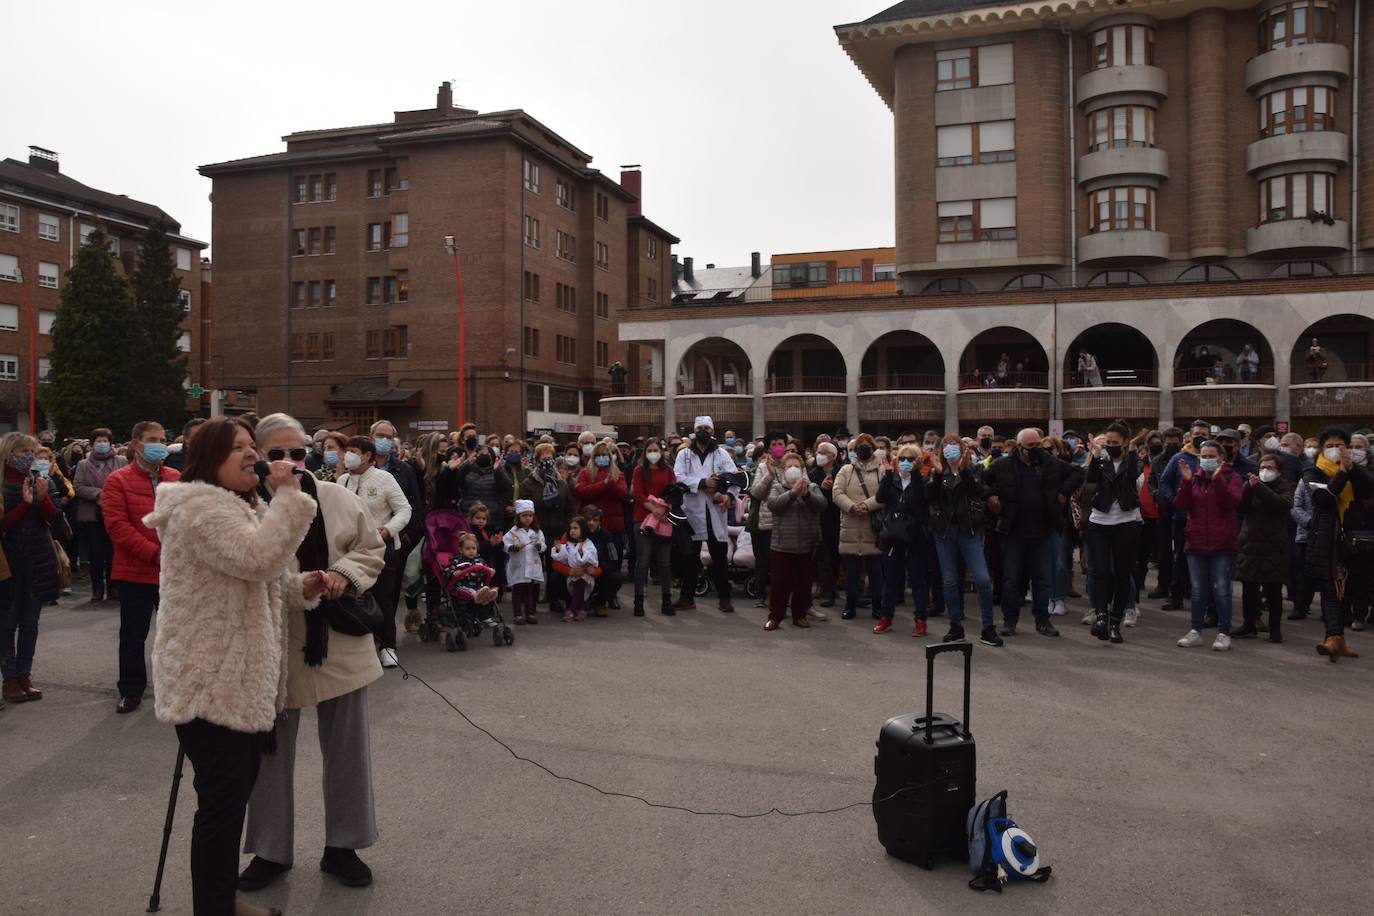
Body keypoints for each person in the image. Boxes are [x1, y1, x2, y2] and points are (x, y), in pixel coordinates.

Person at [144, 417, 326, 916]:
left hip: (238, 679)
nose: (253, 455)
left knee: (229, 802)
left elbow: (256, 579)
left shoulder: (241, 507)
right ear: (209, 460)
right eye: (239, 448)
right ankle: (216, 908)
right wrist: (289, 498)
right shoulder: (202, 509)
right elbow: (258, 559)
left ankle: (223, 898)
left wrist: (298, 588)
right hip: (210, 681)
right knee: (221, 810)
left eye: (253, 446)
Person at [239, 413, 387, 896]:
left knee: (348, 750)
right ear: (259, 457)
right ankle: (269, 849)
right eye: (276, 454)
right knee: (268, 753)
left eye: (297, 453)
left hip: (338, 639)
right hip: (273, 640)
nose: (288, 463)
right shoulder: (244, 505)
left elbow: (371, 548)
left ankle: (344, 844)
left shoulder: (339, 497)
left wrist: (344, 573)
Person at [104, 421, 180, 713]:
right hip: (135, 570)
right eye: (152, 439)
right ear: (136, 443)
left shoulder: (175, 477)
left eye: (162, 439)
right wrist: (154, 553)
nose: (159, 444)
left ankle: (173, 686)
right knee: (133, 635)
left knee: (173, 633)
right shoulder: (118, 480)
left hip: (172, 571)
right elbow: (118, 527)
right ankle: (131, 690)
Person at [983, 428, 1082, 639]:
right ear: (1019, 447)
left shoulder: (1050, 462)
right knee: (1011, 579)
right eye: (1030, 446)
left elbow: (1077, 472)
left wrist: (1063, 493)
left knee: (1042, 579)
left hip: (1042, 530)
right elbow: (981, 480)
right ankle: (1009, 621)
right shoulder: (1002, 465)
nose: (1035, 449)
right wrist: (990, 497)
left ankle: (1043, 621)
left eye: (1038, 445)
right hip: (1013, 532)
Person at [0, 433, 64, 705]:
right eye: (23, 451)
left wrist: (43, 498)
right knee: (7, 623)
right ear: (9, 454)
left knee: (30, 623)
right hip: (8, 564)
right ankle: (10, 678)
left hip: (37, 560)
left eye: (33, 450)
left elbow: (57, 520)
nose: (28, 455)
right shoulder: (3, 486)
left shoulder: (41, 480)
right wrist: (24, 505)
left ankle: (25, 674)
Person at [338, 435, 411, 668]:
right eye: (346, 450)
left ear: (367, 455)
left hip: (382, 549)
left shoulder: (384, 479)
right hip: (349, 550)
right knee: (353, 598)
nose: (346, 455)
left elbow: (404, 509)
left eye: (352, 450)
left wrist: (388, 530)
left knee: (382, 598)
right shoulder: (341, 481)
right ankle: (360, 645)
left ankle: (388, 645)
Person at [1300, 427, 1372, 661]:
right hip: (1327, 538)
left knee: (1351, 588)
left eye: (1340, 445)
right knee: (1332, 589)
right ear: (1321, 449)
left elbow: (1368, 489)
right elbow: (1323, 499)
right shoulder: (1313, 470)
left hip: (1356, 540)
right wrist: (1341, 473)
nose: (1335, 450)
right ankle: (1332, 637)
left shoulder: (1356, 470)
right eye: (1330, 446)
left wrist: (1351, 469)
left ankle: (1338, 639)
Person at [1173, 440, 1243, 651]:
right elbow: (1181, 505)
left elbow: (1231, 502)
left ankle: (1224, 633)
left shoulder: (1233, 477)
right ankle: (1196, 631)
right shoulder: (1194, 480)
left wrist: (1217, 479)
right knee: (1197, 590)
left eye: (1212, 456)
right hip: (1196, 543)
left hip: (1222, 544)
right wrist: (1185, 482)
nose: (1207, 459)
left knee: (1222, 589)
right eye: (1204, 456)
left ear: (1221, 459)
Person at [927, 436, 997, 645]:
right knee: (949, 580)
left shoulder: (973, 469)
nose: (951, 450)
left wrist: (963, 468)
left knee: (983, 579)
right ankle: (955, 626)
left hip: (969, 531)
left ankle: (988, 627)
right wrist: (939, 473)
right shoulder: (937, 472)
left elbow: (977, 491)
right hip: (945, 532)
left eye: (954, 446)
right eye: (946, 446)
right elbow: (931, 497)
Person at [1081, 423, 1143, 644]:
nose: (1112, 447)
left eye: (1116, 443)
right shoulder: (1102, 461)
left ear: (1125, 442)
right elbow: (1090, 480)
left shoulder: (1132, 461)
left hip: (1126, 523)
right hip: (1099, 522)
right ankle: (1101, 618)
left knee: (1122, 573)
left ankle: (1115, 622)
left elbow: (1134, 475)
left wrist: (1133, 452)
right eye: (1109, 443)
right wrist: (1096, 456)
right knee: (1100, 571)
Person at [672, 416, 740, 612]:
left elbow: (733, 477)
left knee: (719, 559)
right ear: (695, 430)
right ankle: (687, 598)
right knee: (690, 559)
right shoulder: (684, 455)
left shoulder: (721, 454)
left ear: (712, 431)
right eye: (699, 427)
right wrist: (702, 483)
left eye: (707, 428)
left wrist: (728, 495)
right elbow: (678, 478)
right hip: (692, 512)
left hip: (714, 513)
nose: (703, 431)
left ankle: (724, 598)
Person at [762, 451, 825, 631]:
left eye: (796, 466)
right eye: (789, 466)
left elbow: (821, 505)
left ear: (803, 469)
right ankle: (775, 617)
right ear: (783, 469)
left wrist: (805, 494)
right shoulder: (777, 487)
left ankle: (800, 615)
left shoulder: (811, 487)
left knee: (803, 582)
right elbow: (774, 505)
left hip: (807, 544)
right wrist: (792, 494)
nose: (793, 469)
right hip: (782, 545)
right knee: (780, 583)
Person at [1234, 453, 1293, 641]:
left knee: (1274, 590)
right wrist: (1249, 488)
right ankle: (1248, 624)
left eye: (1270, 468)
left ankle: (1275, 628)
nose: (1265, 471)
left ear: (1279, 471)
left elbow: (1280, 504)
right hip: (1250, 542)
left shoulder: (1286, 486)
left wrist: (1259, 487)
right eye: (1263, 467)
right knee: (1249, 588)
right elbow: (1241, 507)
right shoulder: (1251, 485)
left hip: (1274, 545)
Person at [874, 443, 931, 635]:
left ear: (917, 462)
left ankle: (921, 620)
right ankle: (885, 618)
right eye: (902, 458)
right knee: (890, 581)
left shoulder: (922, 481)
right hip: (893, 537)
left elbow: (921, 501)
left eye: (910, 459)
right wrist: (889, 474)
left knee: (917, 581)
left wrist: (915, 474)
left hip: (915, 538)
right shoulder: (892, 479)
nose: (905, 462)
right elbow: (881, 498)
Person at [833, 433, 885, 621]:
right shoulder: (846, 470)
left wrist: (867, 505)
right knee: (852, 572)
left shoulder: (882, 470)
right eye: (859, 446)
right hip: (851, 525)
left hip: (873, 527)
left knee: (875, 571)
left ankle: (878, 606)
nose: (863, 449)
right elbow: (837, 492)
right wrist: (852, 506)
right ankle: (850, 606)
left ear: (873, 449)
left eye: (867, 446)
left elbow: (885, 494)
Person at [73, 427, 126, 603]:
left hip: (115, 512)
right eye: (98, 441)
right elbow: (78, 486)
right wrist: (98, 494)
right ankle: (97, 588)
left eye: (105, 441)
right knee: (96, 552)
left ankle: (114, 587)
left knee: (113, 552)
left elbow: (126, 482)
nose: (102, 444)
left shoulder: (120, 461)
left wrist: (110, 494)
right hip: (93, 513)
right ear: (92, 444)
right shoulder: (83, 464)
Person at [573, 441, 628, 610]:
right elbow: (581, 491)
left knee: (613, 565)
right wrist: (603, 485)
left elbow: (624, 495)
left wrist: (611, 485)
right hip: (589, 528)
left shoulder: (619, 474)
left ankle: (610, 595)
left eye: (605, 455)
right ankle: (585, 594)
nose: (602, 458)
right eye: (599, 456)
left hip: (613, 527)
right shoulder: (585, 473)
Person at [630, 439, 676, 616]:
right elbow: (639, 494)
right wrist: (653, 509)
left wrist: (662, 511)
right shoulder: (639, 470)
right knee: (643, 561)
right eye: (649, 450)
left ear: (661, 451)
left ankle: (667, 599)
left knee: (665, 562)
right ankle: (638, 600)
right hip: (642, 518)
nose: (653, 453)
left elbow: (674, 492)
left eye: (655, 449)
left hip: (664, 519)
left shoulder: (668, 470)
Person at [809, 440, 839, 616]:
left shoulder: (842, 471)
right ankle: (829, 592)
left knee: (836, 558)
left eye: (822, 452)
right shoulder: (813, 473)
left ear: (832, 456)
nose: (818, 455)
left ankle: (836, 587)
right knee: (824, 558)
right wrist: (821, 488)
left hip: (838, 519)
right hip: (820, 520)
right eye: (817, 452)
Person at [503, 499, 545, 625]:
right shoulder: (513, 532)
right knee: (517, 591)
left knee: (529, 591)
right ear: (518, 517)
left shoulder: (537, 532)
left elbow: (543, 546)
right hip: (518, 566)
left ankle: (530, 613)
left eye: (530, 515)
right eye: (524, 515)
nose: (527, 518)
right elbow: (506, 545)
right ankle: (517, 614)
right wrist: (516, 547)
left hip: (531, 566)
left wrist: (538, 545)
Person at [551, 516, 599, 622]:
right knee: (577, 587)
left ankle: (571, 610)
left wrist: (582, 554)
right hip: (572, 574)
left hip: (585, 574)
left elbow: (592, 560)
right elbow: (562, 558)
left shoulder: (588, 544)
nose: (572, 531)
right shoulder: (569, 544)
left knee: (579, 584)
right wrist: (559, 550)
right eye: (571, 528)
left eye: (576, 528)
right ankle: (581, 609)